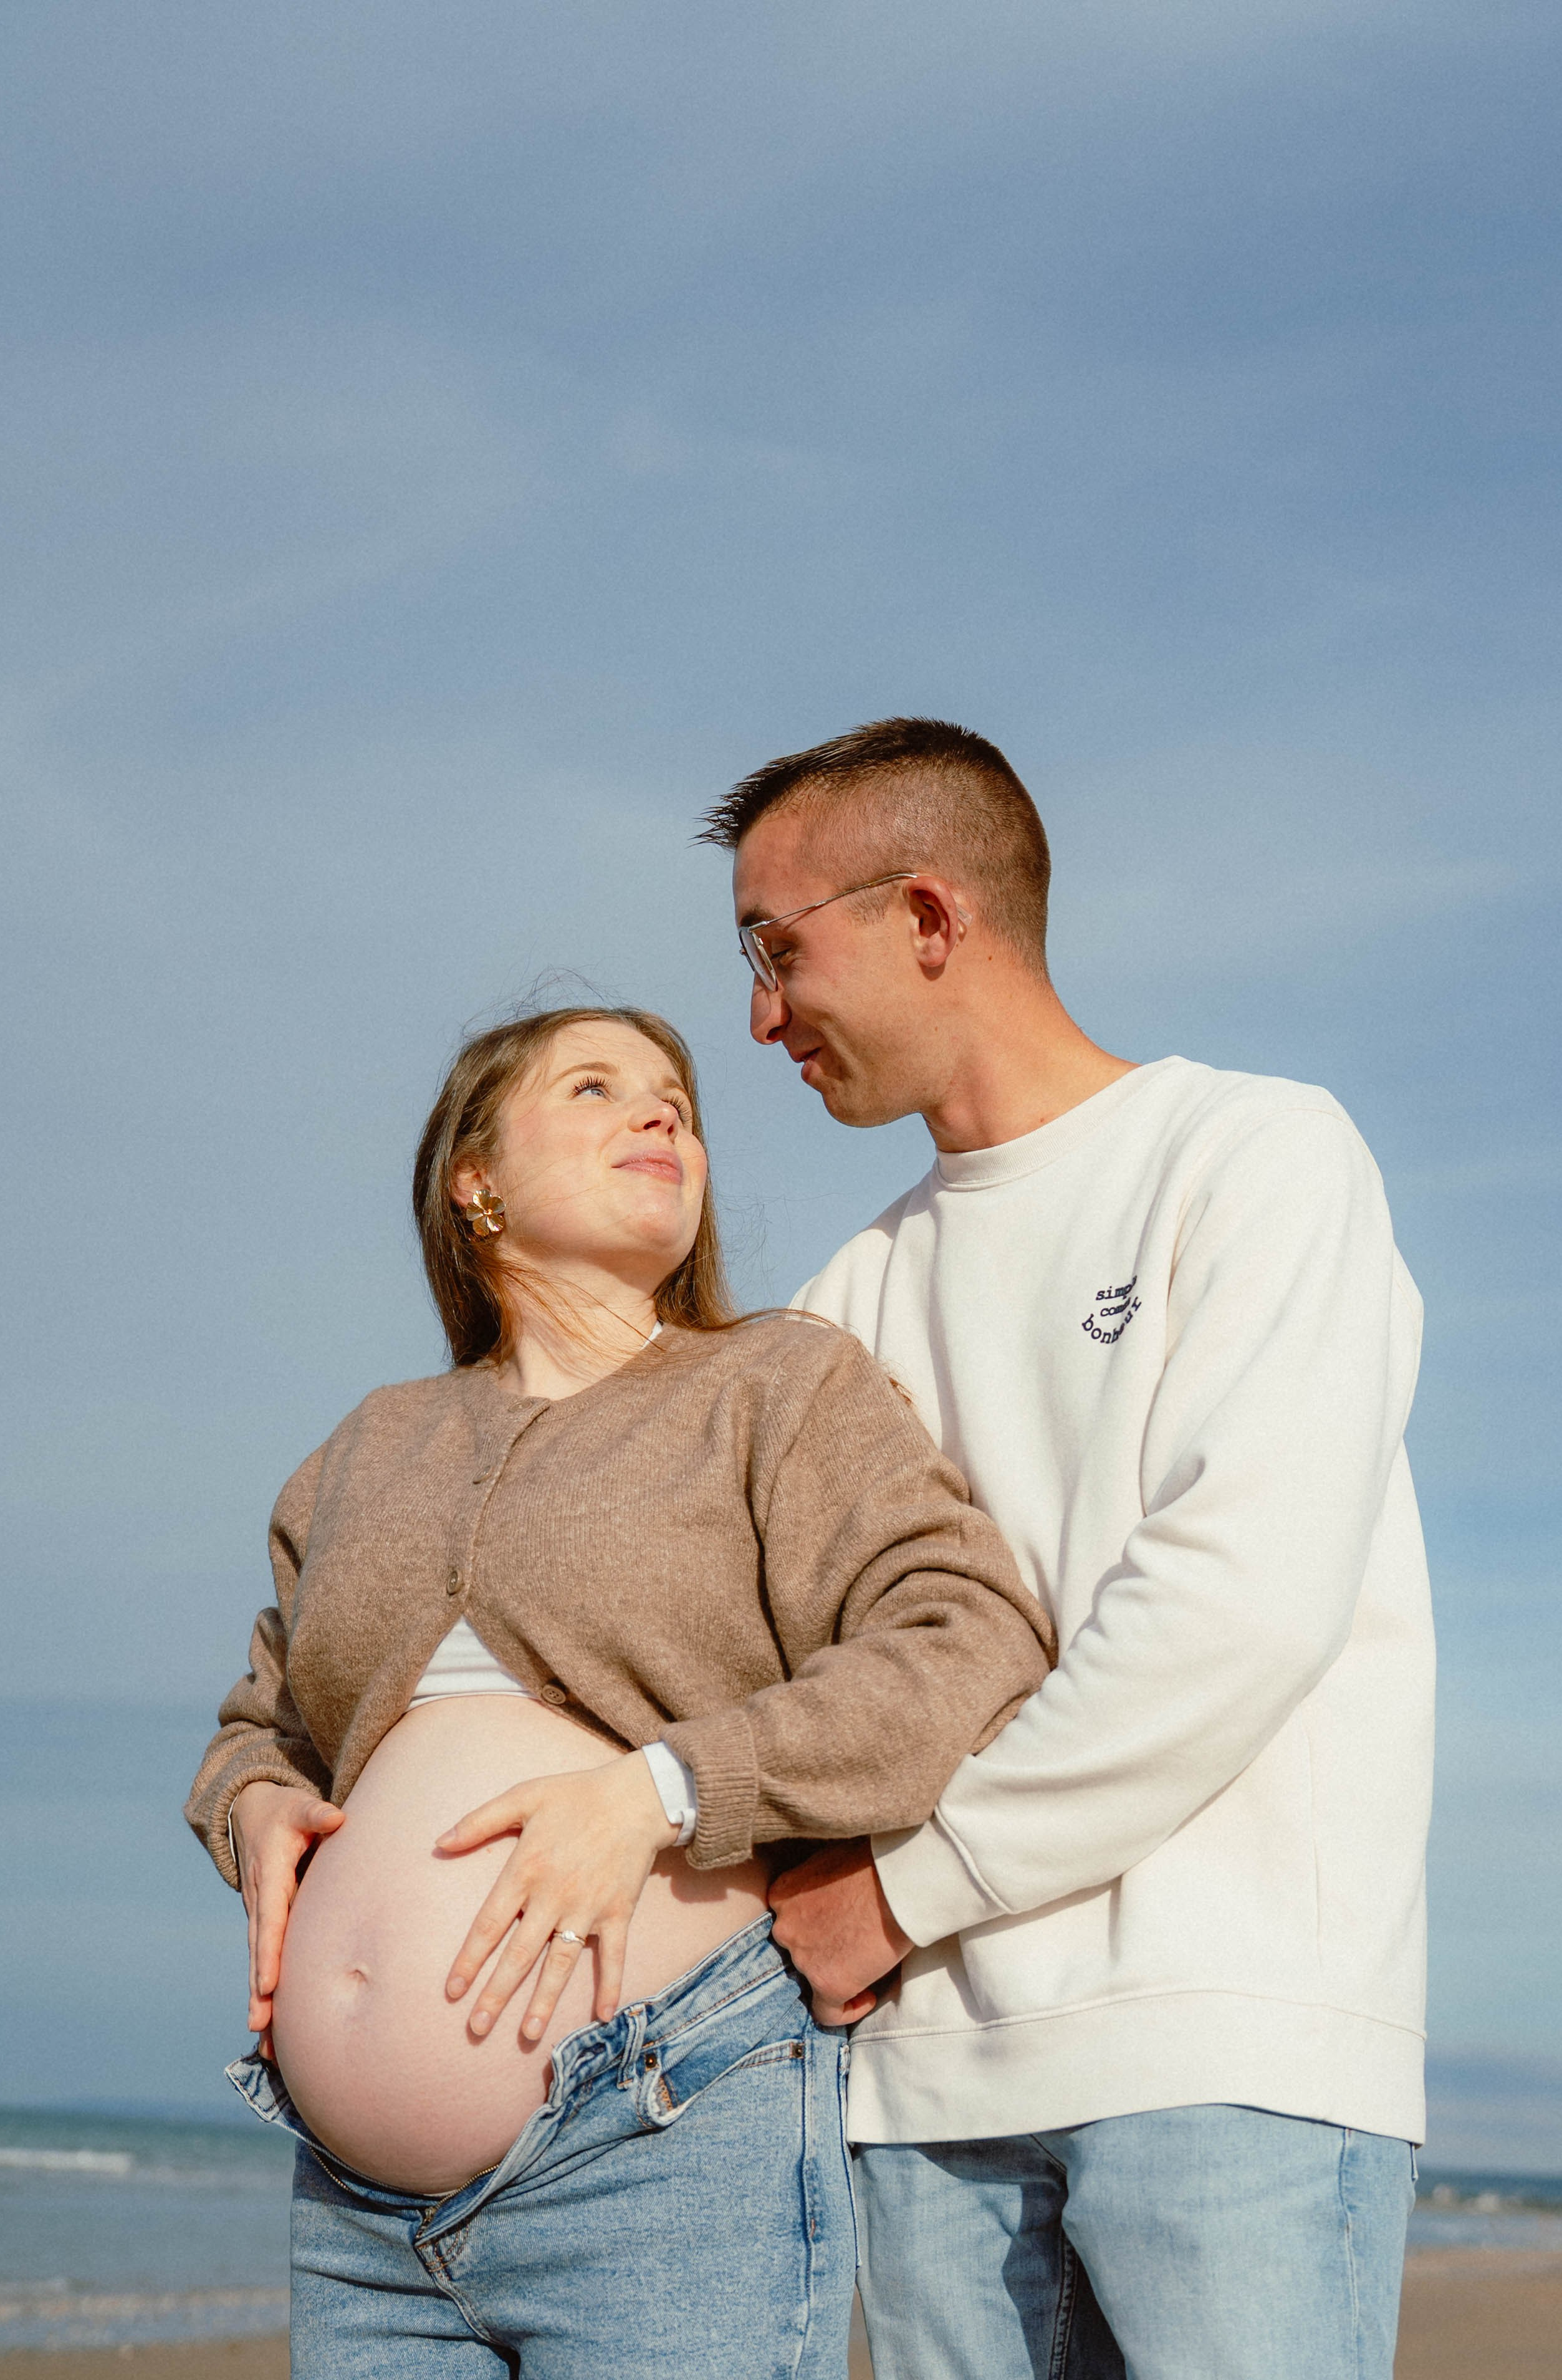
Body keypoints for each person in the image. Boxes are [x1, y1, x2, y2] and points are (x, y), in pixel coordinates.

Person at [698, 719, 1435, 2380]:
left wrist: (906, 1891)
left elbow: (1235, 1606)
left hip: (1222, 2053)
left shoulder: (1253, 1157)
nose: (757, 1017)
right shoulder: (836, 1308)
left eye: (775, 950)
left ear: (929, 917)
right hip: (921, 2101)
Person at [184, 1001, 1053, 2380]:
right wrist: (254, 1804)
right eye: (595, 1087)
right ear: (474, 1179)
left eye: (679, 1104)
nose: (661, 1115)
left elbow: (964, 1633)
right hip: (355, 2214)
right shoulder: (367, 1445)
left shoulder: (776, 1384)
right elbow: (266, 1721)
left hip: (661, 2135)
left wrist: (660, 1792)